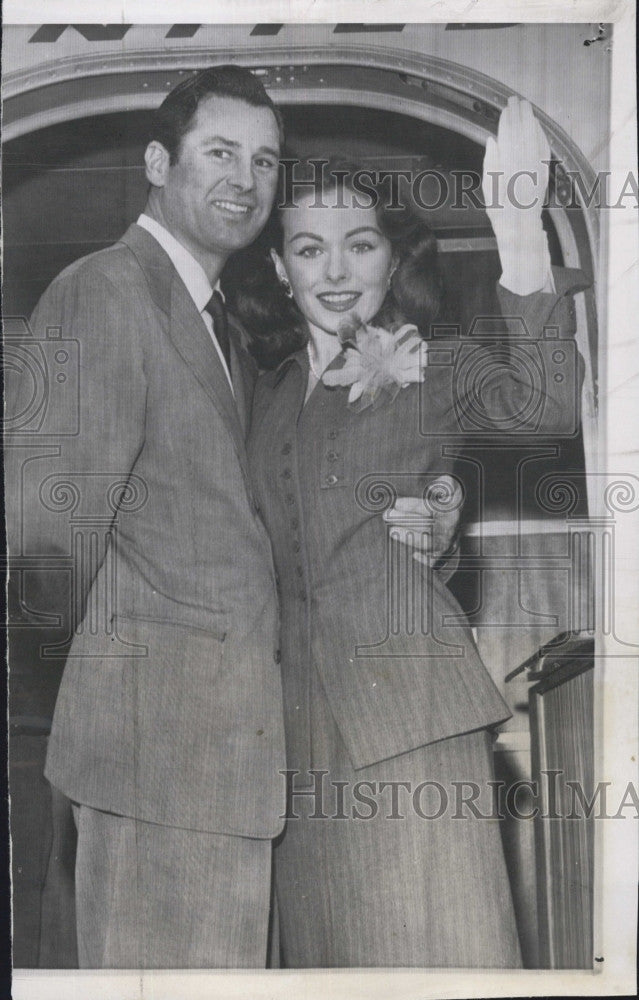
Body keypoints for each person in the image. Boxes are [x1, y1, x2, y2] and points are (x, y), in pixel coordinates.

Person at [227, 97, 587, 967]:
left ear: (394, 258)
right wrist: (441, 530)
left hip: (412, 721)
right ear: (278, 268)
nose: (336, 270)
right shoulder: (260, 396)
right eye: (309, 248)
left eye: (361, 243)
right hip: (292, 733)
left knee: (436, 957)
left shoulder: (438, 365)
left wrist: (519, 240)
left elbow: (545, 405)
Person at [5, 66, 287, 968]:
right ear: (158, 161)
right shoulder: (105, 291)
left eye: (266, 161)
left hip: (223, 771)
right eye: (220, 152)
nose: (245, 178)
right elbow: (44, 543)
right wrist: (101, 705)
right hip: (153, 761)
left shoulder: (222, 328)